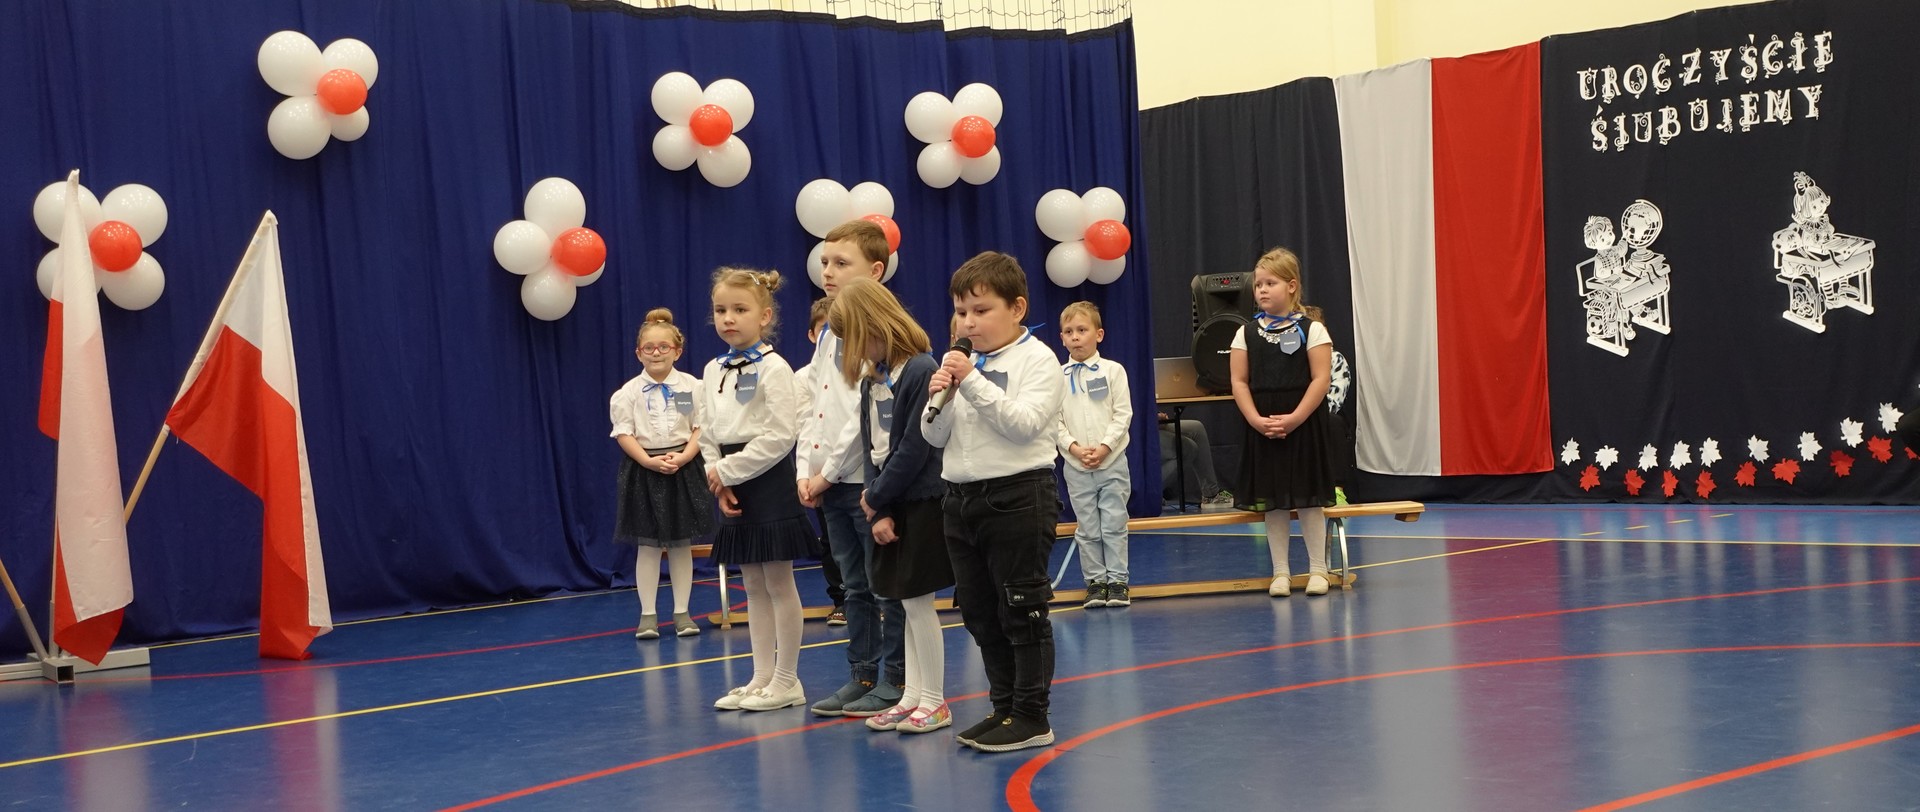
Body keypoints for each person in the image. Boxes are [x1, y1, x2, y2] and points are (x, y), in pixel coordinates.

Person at [925, 251, 1066, 753]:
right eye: (961, 311)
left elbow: (1023, 425)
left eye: (981, 310)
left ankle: (1032, 716)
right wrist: (942, 395)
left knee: (1022, 610)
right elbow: (933, 436)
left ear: (1017, 308)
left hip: (1018, 496)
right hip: (961, 499)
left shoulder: (1038, 360)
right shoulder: (963, 366)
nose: (968, 322)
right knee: (980, 613)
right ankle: (1003, 707)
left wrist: (971, 381)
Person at [827, 277, 955, 734]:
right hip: (888, 501)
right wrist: (877, 508)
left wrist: (876, 497)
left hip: (920, 499)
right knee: (904, 600)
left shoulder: (920, 369)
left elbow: (914, 447)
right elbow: (871, 447)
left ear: (874, 324)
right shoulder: (873, 379)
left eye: (854, 337)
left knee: (919, 603)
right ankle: (912, 696)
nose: (854, 349)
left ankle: (935, 700)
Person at [699, 268, 819, 712]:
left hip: (765, 477)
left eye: (739, 309)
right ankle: (761, 676)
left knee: (778, 581)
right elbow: (706, 429)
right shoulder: (712, 369)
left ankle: (787, 679)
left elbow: (781, 434)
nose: (728, 318)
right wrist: (716, 474)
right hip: (730, 481)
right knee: (751, 582)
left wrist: (731, 470)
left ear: (764, 316)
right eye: (720, 310)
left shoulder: (775, 368)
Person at [799, 221, 905, 718]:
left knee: (885, 587)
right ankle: (861, 675)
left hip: (864, 482)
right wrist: (806, 470)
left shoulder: (878, 332)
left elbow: (864, 420)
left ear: (875, 271)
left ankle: (897, 679)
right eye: (825, 262)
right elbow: (814, 407)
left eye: (842, 263)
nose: (828, 272)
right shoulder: (828, 333)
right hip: (829, 482)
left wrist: (828, 472)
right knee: (854, 586)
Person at [1229, 247, 1340, 598]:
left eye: (1270, 283)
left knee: (1308, 500)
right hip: (1263, 426)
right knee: (1273, 502)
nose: (1262, 289)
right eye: (1258, 284)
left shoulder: (1313, 330)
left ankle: (1318, 570)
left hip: (1302, 424)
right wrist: (1255, 419)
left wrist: (1295, 419)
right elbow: (1239, 381)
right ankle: (1280, 572)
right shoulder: (1245, 333)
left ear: (1291, 286)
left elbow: (1321, 379)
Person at [610, 308, 715, 639]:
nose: (656, 353)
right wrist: (648, 461)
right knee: (649, 545)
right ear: (638, 353)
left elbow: (701, 427)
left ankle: (682, 613)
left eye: (664, 347)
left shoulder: (692, 387)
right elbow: (624, 432)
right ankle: (648, 615)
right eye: (649, 348)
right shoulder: (628, 393)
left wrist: (684, 457)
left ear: (677, 351)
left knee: (681, 544)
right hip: (645, 470)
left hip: (683, 466)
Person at [1054, 302, 1134, 608]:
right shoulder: (1056, 377)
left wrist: (1104, 448)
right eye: (1069, 332)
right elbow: (1054, 421)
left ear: (1098, 334)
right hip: (1076, 467)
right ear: (1062, 338)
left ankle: (1118, 581)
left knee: (1114, 523)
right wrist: (1074, 448)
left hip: (1111, 463)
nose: (1075, 337)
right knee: (1087, 527)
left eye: (1082, 330)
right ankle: (1096, 582)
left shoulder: (1113, 371)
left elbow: (1122, 414)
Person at [795, 297, 847, 626]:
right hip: (821, 474)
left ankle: (872, 597)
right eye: (824, 329)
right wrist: (806, 474)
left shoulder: (854, 366)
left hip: (852, 468)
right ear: (813, 335)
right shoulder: (803, 378)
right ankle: (840, 599)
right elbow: (805, 425)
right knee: (830, 540)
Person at [1158, 416, 1230, 506]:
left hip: (1150, 424)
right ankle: (1148, 492)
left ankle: (1210, 494)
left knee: (1197, 428)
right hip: (1142, 431)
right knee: (1187, 448)